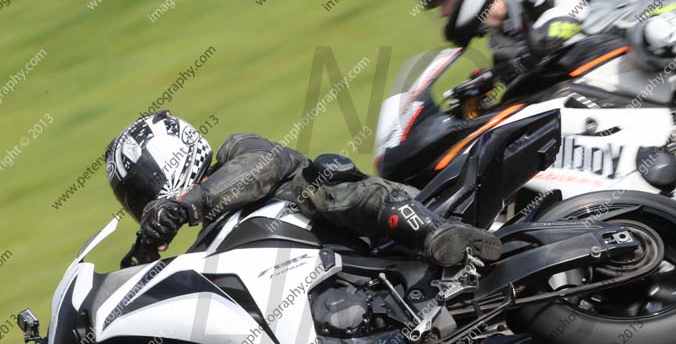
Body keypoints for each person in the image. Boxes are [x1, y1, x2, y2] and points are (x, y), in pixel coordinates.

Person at [422, 0, 676, 199]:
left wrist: (550, 31)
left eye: (445, 3)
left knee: (659, 33)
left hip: (653, 33)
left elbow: (566, 14)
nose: (443, 15)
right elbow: (525, 84)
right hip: (624, 84)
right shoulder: (501, 39)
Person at [105, 110, 501, 268]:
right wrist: (138, 261)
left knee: (320, 186)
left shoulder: (236, 152)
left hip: (364, 227)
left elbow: (264, 165)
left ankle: (438, 232)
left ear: (169, 158)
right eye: (133, 199)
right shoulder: (210, 234)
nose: (143, 202)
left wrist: (188, 202)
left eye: (142, 189)